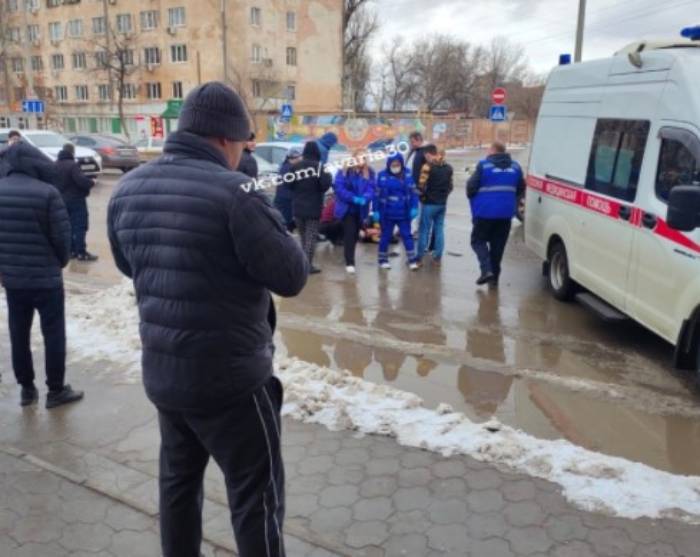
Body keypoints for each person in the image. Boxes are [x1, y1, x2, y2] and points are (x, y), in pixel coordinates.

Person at [107, 82, 309, 557]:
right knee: (256, 499)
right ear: (223, 138)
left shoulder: (128, 187)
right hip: (232, 384)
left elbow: (127, 264)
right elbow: (292, 275)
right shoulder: (238, 193)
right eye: (242, 143)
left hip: (166, 376)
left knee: (177, 487)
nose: (242, 154)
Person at [0, 141, 84, 408]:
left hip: (13, 280)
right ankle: (56, 390)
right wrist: (58, 263)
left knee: (18, 333)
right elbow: (62, 239)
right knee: (54, 334)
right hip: (46, 280)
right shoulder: (47, 193)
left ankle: (26, 389)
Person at [467, 141, 526, 286]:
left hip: (485, 212)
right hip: (506, 214)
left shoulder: (484, 165)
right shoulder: (516, 167)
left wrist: (477, 201)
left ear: (493, 151)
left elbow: (471, 187)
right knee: (498, 246)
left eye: (488, 150)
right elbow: (521, 188)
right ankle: (494, 281)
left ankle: (486, 270)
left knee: (477, 240)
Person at [289, 141, 332, 274]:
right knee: (311, 239)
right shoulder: (319, 167)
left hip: (298, 208)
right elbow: (325, 185)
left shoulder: (296, 167)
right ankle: (306, 266)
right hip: (313, 208)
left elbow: (288, 184)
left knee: (303, 238)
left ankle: (302, 264)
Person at [374, 152, 420, 270]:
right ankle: (383, 260)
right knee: (385, 236)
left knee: (407, 236)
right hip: (387, 213)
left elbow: (414, 192)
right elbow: (376, 195)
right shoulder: (381, 175)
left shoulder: (407, 174)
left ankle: (412, 260)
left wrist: (415, 206)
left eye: (397, 164)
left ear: (401, 163)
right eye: (393, 164)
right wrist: (375, 210)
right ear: (389, 164)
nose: (395, 166)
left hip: (404, 213)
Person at [333, 150, 375, 274]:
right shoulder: (344, 171)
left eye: (363, 158)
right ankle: (350, 262)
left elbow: (372, 187)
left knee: (356, 234)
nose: (360, 161)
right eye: (358, 158)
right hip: (347, 208)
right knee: (350, 234)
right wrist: (352, 198)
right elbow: (339, 188)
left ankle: (348, 256)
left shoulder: (370, 172)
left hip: (361, 209)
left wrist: (366, 197)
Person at [55, 143, 98, 261]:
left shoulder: (55, 165)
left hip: (60, 201)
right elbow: (82, 181)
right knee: (79, 226)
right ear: (72, 153)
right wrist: (92, 182)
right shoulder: (73, 165)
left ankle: (71, 251)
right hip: (76, 200)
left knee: (67, 227)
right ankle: (81, 252)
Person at [417, 145, 453, 266]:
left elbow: (421, 185)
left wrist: (422, 197)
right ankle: (437, 258)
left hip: (429, 203)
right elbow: (450, 187)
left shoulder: (427, 167)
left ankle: (419, 258)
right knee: (439, 230)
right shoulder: (449, 168)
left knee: (424, 230)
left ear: (434, 154)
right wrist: (443, 197)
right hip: (442, 204)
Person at [273, 147, 302, 232]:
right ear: (294, 158)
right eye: (299, 157)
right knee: (285, 221)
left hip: (284, 197)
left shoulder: (286, 166)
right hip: (286, 199)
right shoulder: (289, 168)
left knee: (285, 219)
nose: (301, 158)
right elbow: (291, 183)